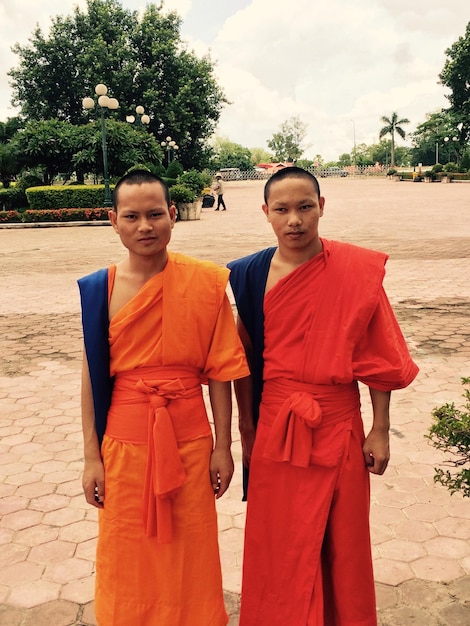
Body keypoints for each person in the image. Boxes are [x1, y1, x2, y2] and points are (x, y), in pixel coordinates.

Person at [227, 167, 419, 626]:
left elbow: (378, 358)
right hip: (277, 428)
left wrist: (380, 430)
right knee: (280, 545)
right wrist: (245, 432)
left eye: (304, 207)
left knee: (342, 544)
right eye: (282, 209)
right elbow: (243, 359)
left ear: (322, 206)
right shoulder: (251, 275)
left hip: (338, 426)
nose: (294, 219)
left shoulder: (356, 272)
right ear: (266, 213)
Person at [78, 169, 249, 626]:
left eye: (155, 214)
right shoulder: (100, 290)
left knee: (189, 550)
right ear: (113, 221)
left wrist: (222, 447)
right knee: (126, 552)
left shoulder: (208, 283)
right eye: (131, 216)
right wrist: (92, 458)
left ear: (173, 216)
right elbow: (91, 381)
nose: (145, 226)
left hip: (190, 444)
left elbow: (220, 374)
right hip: (123, 448)